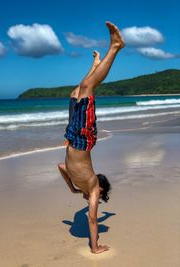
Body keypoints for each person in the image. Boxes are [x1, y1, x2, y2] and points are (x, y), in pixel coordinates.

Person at [58, 21, 124, 254]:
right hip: (84, 139)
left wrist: (72, 190)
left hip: (72, 137)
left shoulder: (79, 184)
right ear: (101, 190)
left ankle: (95, 64)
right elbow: (92, 220)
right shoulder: (94, 188)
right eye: (93, 199)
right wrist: (94, 247)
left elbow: (61, 166)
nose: (89, 201)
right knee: (87, 87)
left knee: (75, 93)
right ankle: (116, 46)